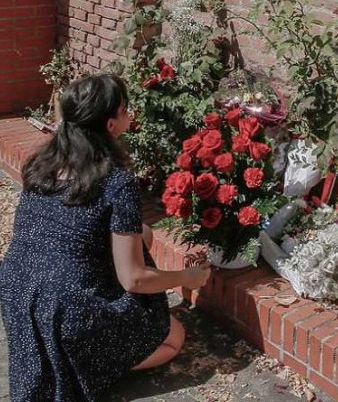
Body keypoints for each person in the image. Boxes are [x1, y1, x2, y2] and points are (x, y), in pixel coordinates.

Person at [0, 73, 211, 401]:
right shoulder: (116, 182)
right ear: (110, 125)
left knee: (144, 235)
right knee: (173, 338)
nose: (131, 115)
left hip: (18, 293)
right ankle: (85, 363)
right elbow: (135, 280)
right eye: (125, 110)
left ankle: (72, 352)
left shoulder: (40, 163)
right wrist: (189, 277)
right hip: (65, 309)